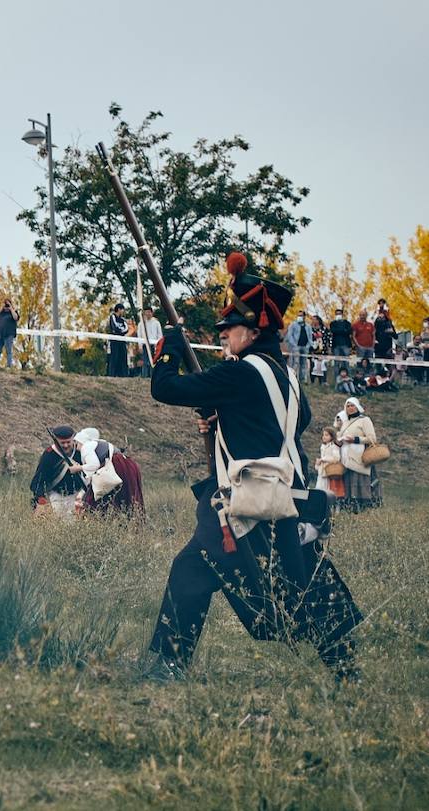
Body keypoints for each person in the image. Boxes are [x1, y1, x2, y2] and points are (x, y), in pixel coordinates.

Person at [145, 252, 361, 682]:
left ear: (253, 328)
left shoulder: (241, 374)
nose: (224, 337)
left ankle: (168, 667)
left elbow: (164, 389)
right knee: (305, 580)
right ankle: (344, 664)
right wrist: (224, 417)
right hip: (289, 500)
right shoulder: (287, 377)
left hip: (246, 503)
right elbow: (289, 423)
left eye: (230, 330)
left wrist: (169, 344)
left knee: (192, 570)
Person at [73, 427, 145, 517]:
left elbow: (94, 465)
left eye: (77, 442)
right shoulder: (100, 445)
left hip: (117, 467)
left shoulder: (87, 446)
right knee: (127, 499)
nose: (76, 446)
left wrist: (77, 468)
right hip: (126, 466)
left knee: (108, 502)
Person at [29, 425, 83, 519]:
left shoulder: (80, 451)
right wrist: (41, 500)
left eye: (68, 442)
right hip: (57, 496)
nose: (66, 445)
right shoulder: (49, 455)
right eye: (62, 443)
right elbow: (38, 481)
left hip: (79, 495)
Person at [337, 396, 380, 512]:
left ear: (357, 407)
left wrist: (355, 439)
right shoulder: (345, 422)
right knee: (347, 481)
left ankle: (362, 508)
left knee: (359, 481)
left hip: (359, 457)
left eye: (352, 405)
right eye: (348, 406)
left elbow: (372, 439)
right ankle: (348, 507)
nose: (350, 408)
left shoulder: (364, 420)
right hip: (345, 458)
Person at [314, 426, 345, 506]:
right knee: (319, 488)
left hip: (330, 471)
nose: (324, 437)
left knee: (327, 489)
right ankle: (319, 506)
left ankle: (328, 506)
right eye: (323, 435)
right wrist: (318, 464)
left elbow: (336, 458)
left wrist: (324, 459)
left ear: (332, 436)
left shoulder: (333, 446)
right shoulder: (323, 447)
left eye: (327, 435)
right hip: (322, 472)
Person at [284, 309, 313, 381]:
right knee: (295, 362)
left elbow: (310, 337)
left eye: (301, 315)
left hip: (305, 347)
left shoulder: (308, 326)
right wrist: (294, 345)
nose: (299, 317)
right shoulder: (293, 324)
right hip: (295, 347)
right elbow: (289, 336)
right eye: (298, 315)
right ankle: (293, 378)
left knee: (304, 363)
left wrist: (308, 346)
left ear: (304, 317)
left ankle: (302, 379)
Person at [106, 304, 131, 377]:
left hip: (122, 341)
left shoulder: (123, 320)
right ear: (119, 309)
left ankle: (124, 375)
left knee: (123, 357)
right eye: (122, 309)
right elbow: (114, 327)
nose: (123, 311)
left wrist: (120, 332)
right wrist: (120, 331)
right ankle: (112, 375)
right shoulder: (112, 317)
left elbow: (126, 329)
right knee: (114, 357)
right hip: (114, 341)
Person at [0, 299, 18, 369]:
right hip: (0, 333)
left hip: (9, 334)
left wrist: (11, 308)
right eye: (5, 304)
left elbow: (16, 317)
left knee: (9, 351)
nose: (6, 306)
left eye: (7, 304)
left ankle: (9, 366)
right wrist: (1, 308)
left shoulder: (13, 311)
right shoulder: (1, 311)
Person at [137, 308, 163, 377]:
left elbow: (159, 334)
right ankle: (144, 376)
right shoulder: (141, 324)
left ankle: (153, 376)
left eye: (149, 312)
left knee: (154, 361)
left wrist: (158, 345)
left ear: (152, 313)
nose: (148, 314)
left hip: (154, 345)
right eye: (146, 312)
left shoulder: (156, 323)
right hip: (145, 345)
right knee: (145, 361)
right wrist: (140, 346)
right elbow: (139, 335)